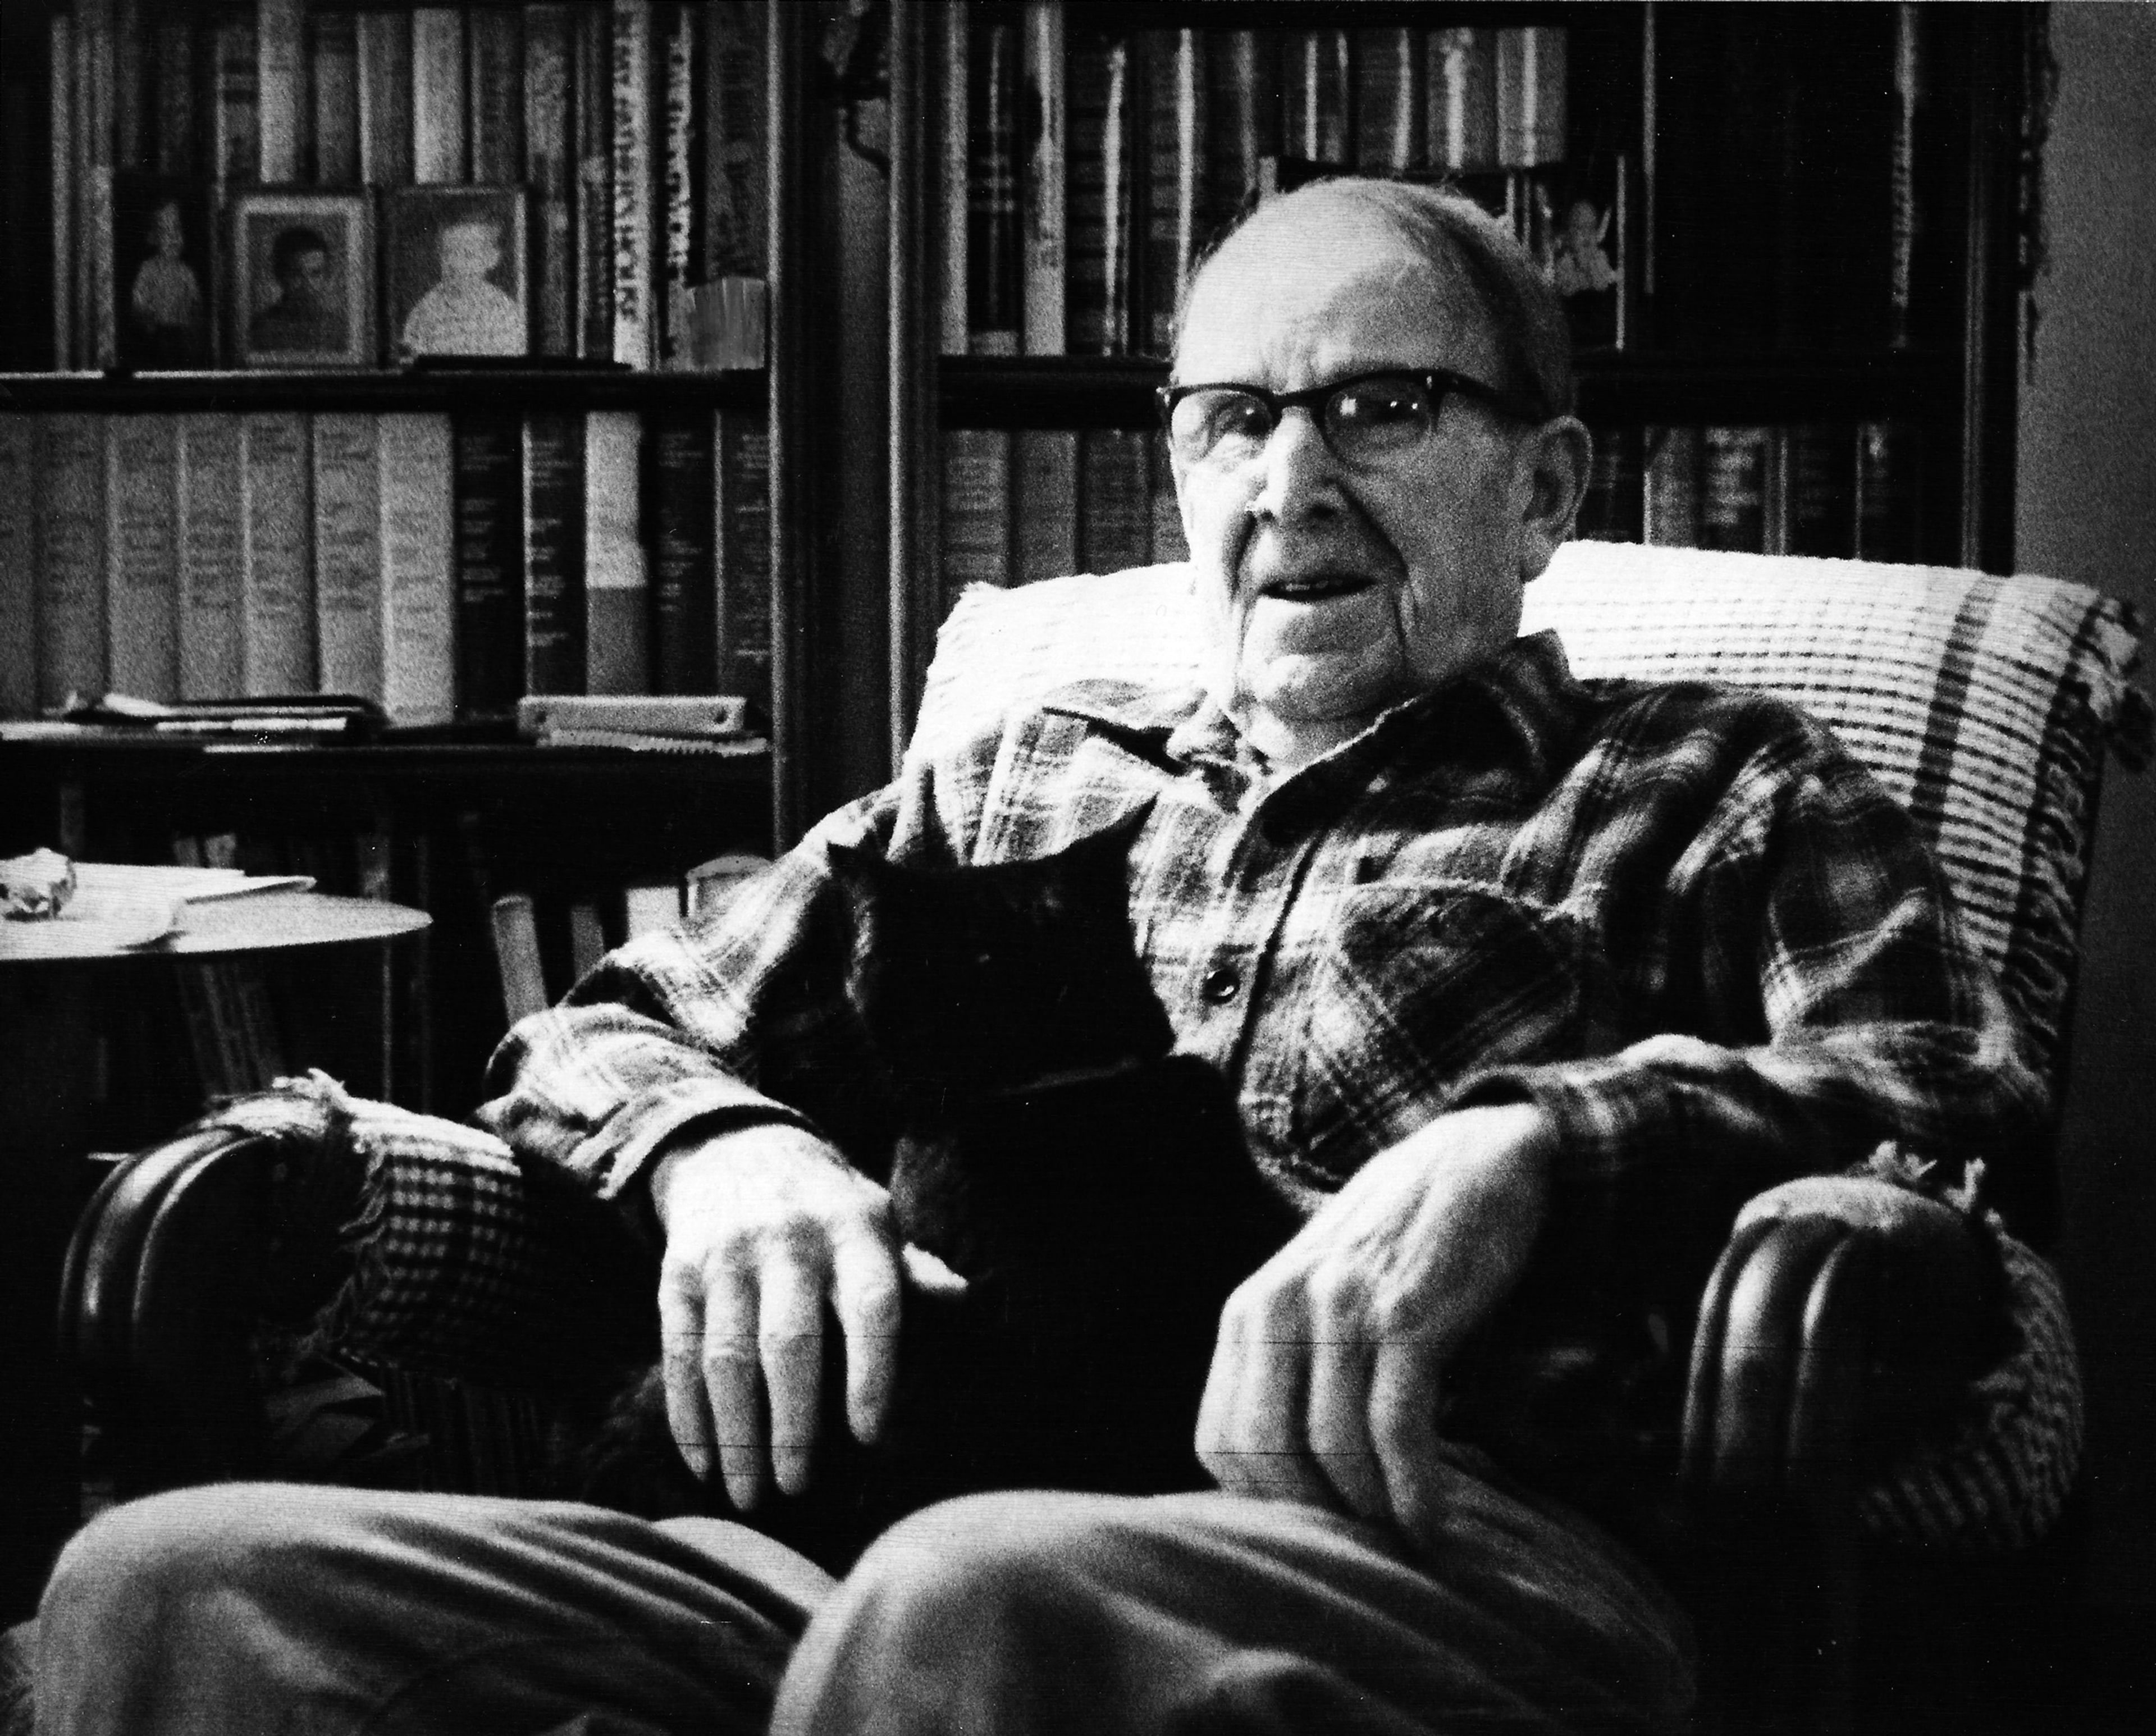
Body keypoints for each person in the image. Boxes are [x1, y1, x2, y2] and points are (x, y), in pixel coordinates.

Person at [28, 178, 2045, 1735]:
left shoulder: (1695, 783)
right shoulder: (1024, 771)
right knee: (168, 1584)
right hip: (889, 1539)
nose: (1291, 480)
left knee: (979, 1599)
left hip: (1428, 1539)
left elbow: (1944, 1105)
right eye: (1235, 416)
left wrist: (1536, 1146)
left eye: (1382, 404)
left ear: (1545, 485)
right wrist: (729, 1154)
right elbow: (607, 1027)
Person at [398, 213, 527, 359]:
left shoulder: (504, 312)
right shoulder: (425, 311)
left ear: (492, 259)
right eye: (448, 253)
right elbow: (411, 360)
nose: (455, 264)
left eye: (468, 255)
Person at [124, 199, 205, 368]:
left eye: (177, 229)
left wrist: (194, 326)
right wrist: (147, 321)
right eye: (165, 231)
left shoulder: (186, 272)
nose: (173, 237)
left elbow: (196, 303)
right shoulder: (148, 269)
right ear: (153, 237)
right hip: (157, 334)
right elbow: (138, 303)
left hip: (182, 335)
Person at [246, 225, 349, 356]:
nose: (307, 284)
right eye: (296, 274)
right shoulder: (261, 328)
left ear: (326, 276)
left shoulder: (338, 328)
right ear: (280, 275)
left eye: (315, 274)